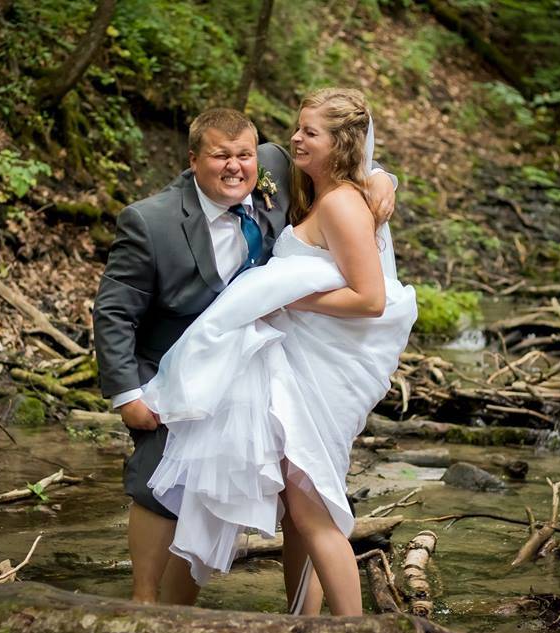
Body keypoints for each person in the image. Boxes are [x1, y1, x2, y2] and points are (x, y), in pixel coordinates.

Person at [92, 107, 397, 607]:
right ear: (193, 160)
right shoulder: (151, 221)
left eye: (243, 155)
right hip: (170, 362)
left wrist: (382, 178)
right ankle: (144, 605)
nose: (235, 167)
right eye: (219, 157)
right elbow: (114, 313)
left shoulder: (274, 165)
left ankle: (246, 614)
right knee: (159, 481)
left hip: (255, 359)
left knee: (275, 494)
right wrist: (127, 394)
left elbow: (340, 160)